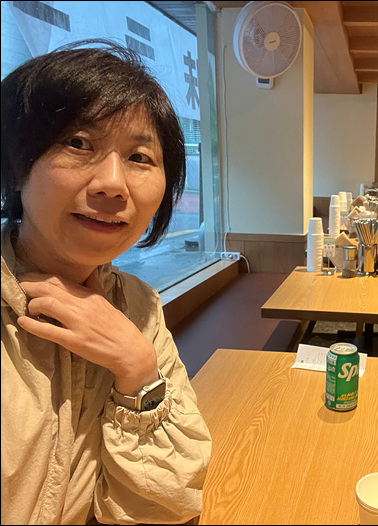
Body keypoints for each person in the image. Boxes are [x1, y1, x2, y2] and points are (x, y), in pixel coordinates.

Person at [1, 40, 212, 524]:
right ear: (16, 165)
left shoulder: (137, 305)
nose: (113, 184)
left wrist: (137, 368)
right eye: (78, 143)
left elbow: (166, 504)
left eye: (140, 157)